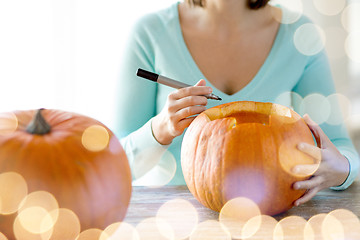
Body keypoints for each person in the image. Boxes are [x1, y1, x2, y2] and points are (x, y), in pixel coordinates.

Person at [115, 0, 359, 206]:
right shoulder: (150, 33)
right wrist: (160, 130)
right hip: (170, 221)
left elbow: (341, 148)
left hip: (273, 219)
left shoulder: (300, 34)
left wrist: (342, 170)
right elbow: (114, 166)